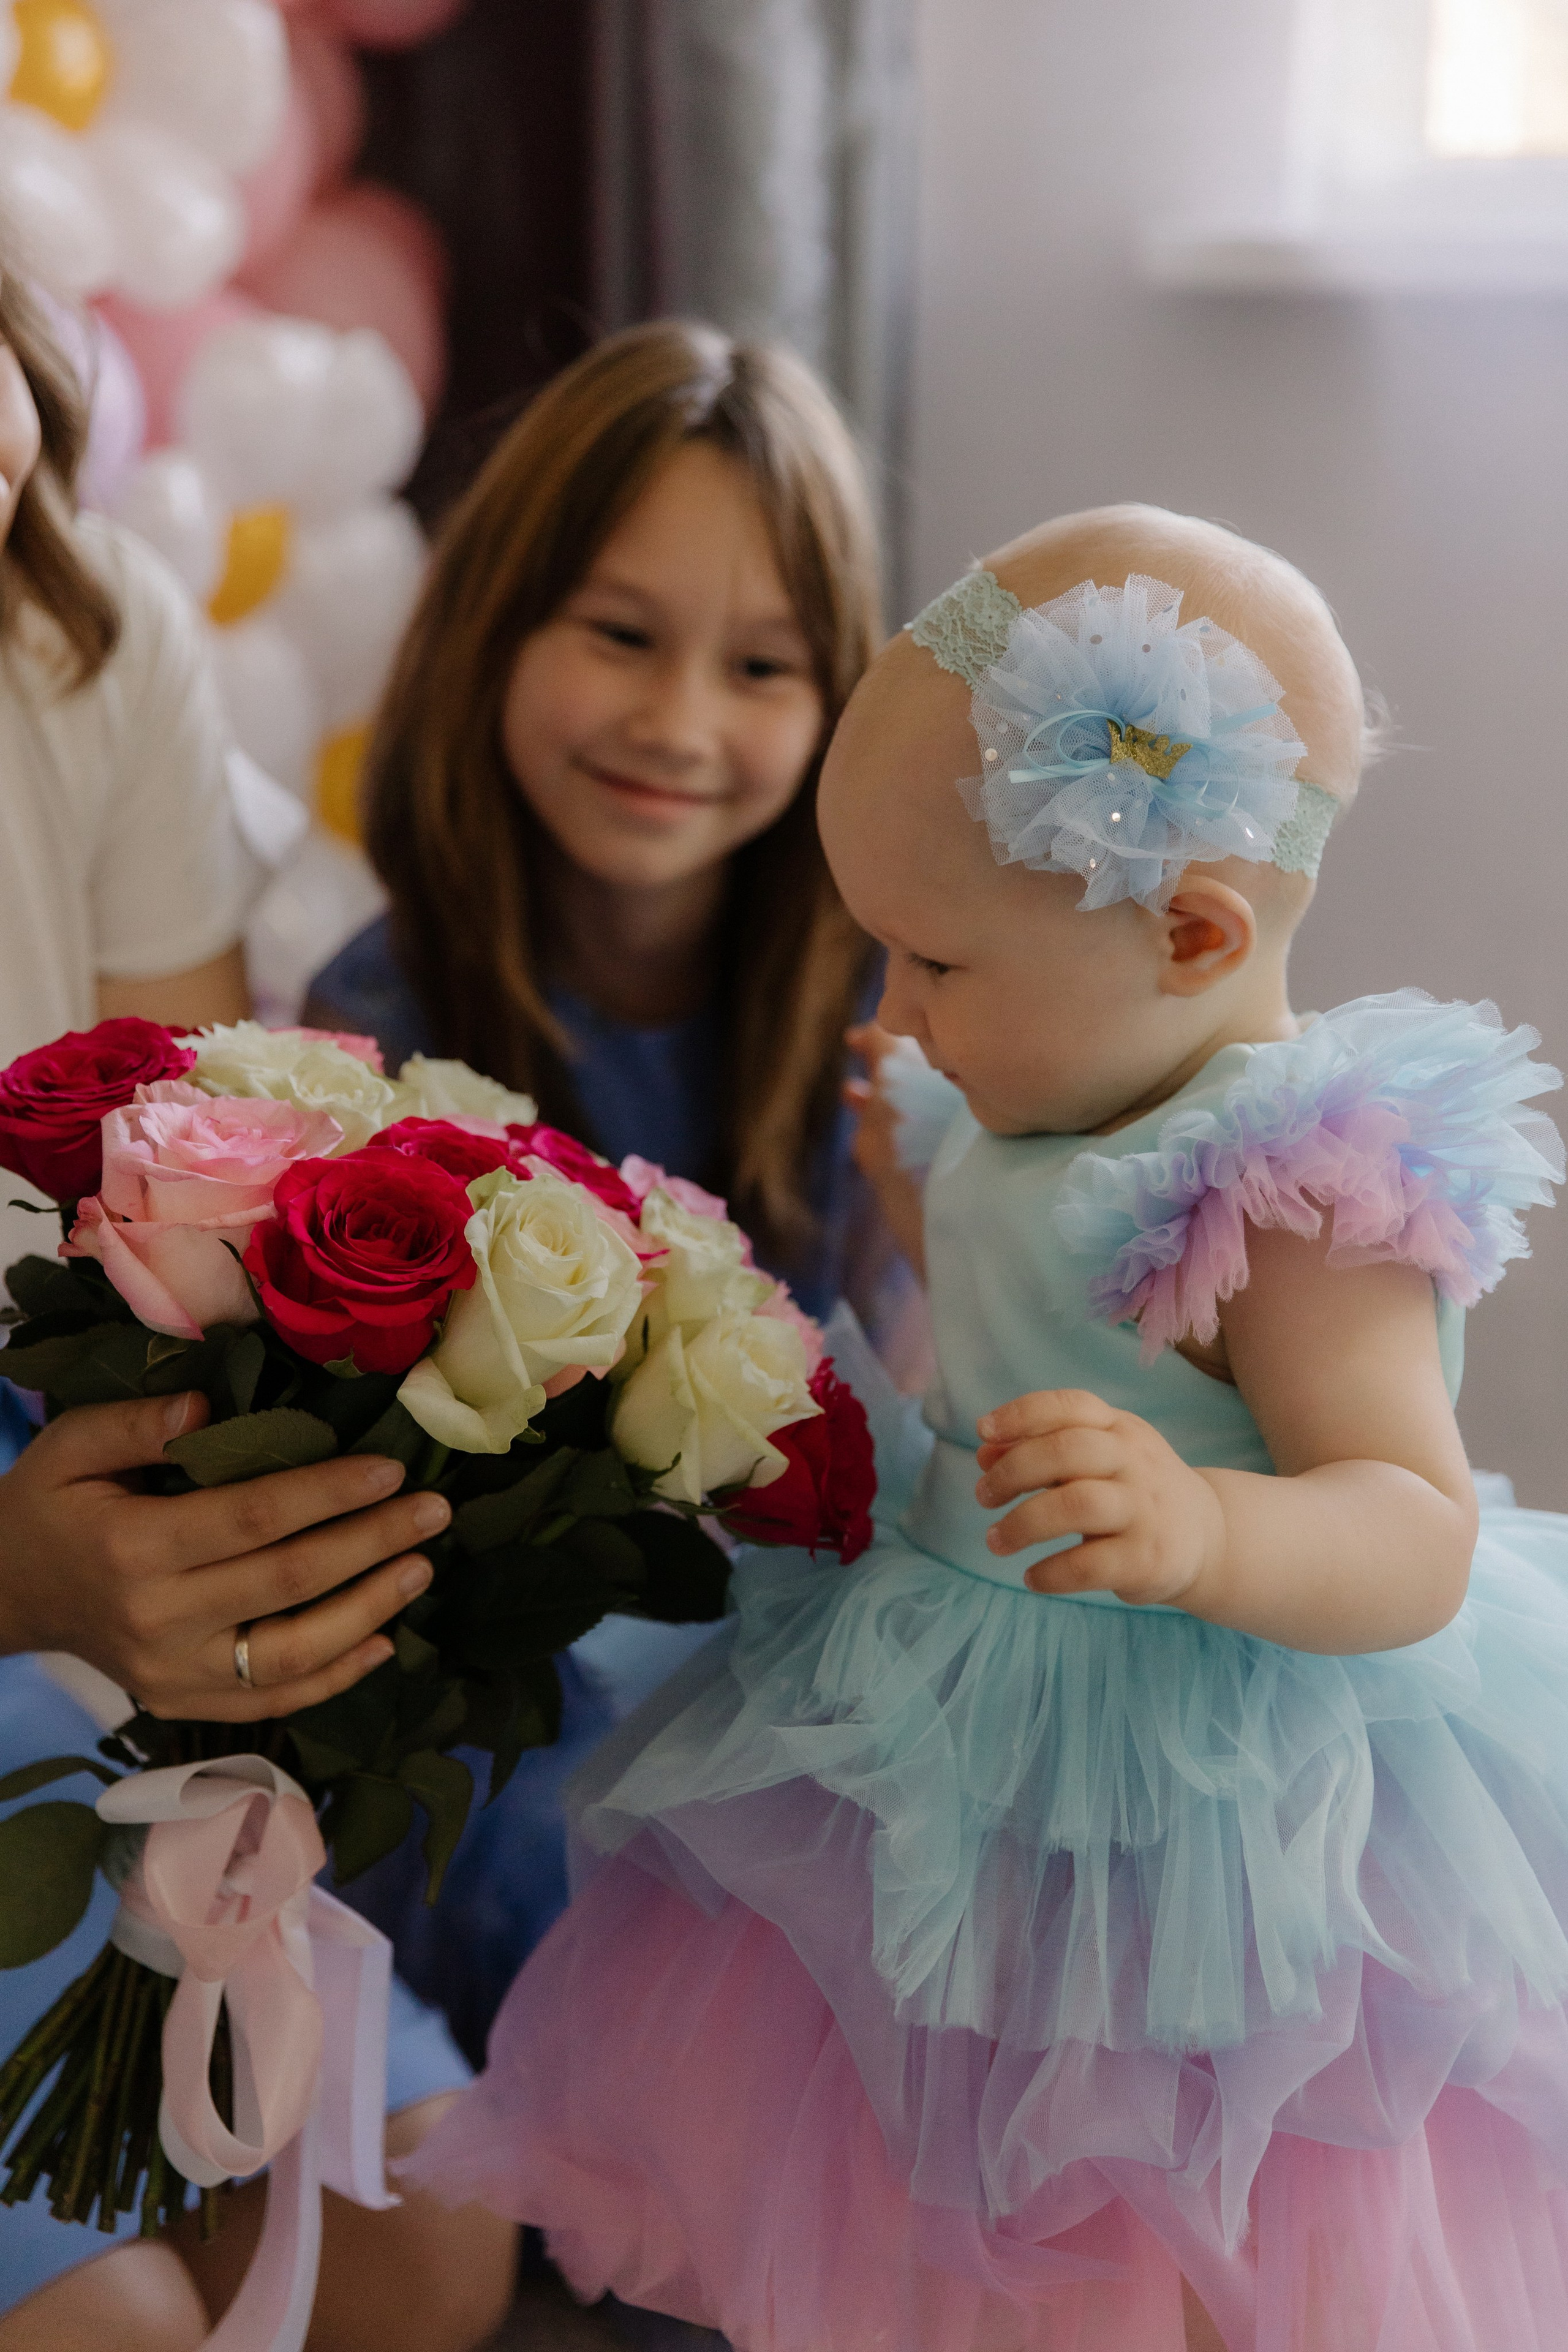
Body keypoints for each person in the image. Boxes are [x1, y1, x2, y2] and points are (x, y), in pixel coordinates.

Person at [402, 503, 1568, 2351]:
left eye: (934, 967)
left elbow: (1411, 1528)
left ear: (1192, 931)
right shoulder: (1027, 1097)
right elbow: (1030, 1321)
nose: (898, 1015)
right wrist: (936, 1188)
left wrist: (1209, 1532)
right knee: (941, 2196)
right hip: (964, 1735)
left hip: (1198, 1795)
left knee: (1179, 2215)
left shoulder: (1294, 1189)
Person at [0, 263, 513, 2351]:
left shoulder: (86, 638)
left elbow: (175, 1195)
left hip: (51, 1473)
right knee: (119, 2324)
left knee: (425, 2250)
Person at [306, 319, 910, 2061]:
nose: (678, 724)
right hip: (522, 1718)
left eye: (764, 668)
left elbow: (912, 1420)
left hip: (812, 1672)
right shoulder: (377, 1039)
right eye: (622, 636)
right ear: (497, 625)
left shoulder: (883, 1018)